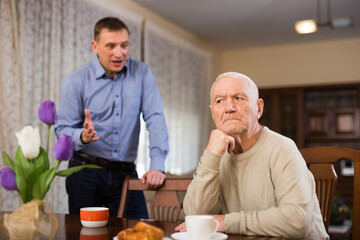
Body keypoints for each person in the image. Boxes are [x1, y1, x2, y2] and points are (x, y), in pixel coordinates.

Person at [175, 72, 329, 239]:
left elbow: (297, 222)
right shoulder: (217, 154)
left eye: (239, 98)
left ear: (259, 108)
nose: (229, 108)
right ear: (213, 113)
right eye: (220, 101)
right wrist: (211, 155)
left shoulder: (283, 148)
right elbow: (197, 218)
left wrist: (226, 222)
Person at [55, 17, 169, 218]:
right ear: (95, 46)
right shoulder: (75, 82)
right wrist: (81, 136)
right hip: (85, 173)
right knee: (87, 235)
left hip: (126, 173)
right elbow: (62, 130)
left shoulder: (142, 73)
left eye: (124, 45)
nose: (120, 52)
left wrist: (157, 165)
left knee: (138, 232)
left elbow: (155, 119)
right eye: (111, 46)